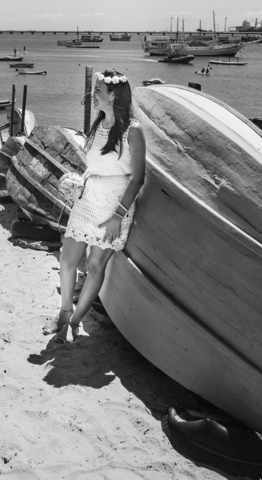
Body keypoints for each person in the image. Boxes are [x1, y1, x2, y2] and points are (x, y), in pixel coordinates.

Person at [53, 69, 146, 344]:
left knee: (95, 266)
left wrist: (118, 216)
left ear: (113, 95)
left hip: (114, 206)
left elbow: (138, 178)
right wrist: (77, 183)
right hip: (88, 200)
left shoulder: (133, 131)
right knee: (67, 260)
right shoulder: (98, 123)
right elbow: (94, 166)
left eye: (97, 91)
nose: (92, 95)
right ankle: (64, 312)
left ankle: (74, 322)